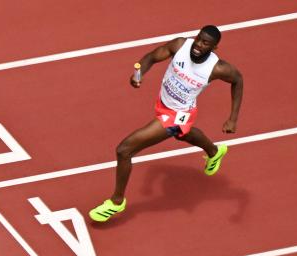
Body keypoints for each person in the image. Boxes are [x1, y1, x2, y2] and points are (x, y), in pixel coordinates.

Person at [89, 25, 244, 222]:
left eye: (205, 43)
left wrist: (233, 118)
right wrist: (139, 74)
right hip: (163, 103)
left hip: (179, 114)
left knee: (124, 150)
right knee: (182, 134)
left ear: (214, 48)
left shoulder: (218, 68)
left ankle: (117, 201)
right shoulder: (180, 45)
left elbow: (238, 80)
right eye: (198, 38)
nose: (198, 45)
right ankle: (214, 152)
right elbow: (151, 57)